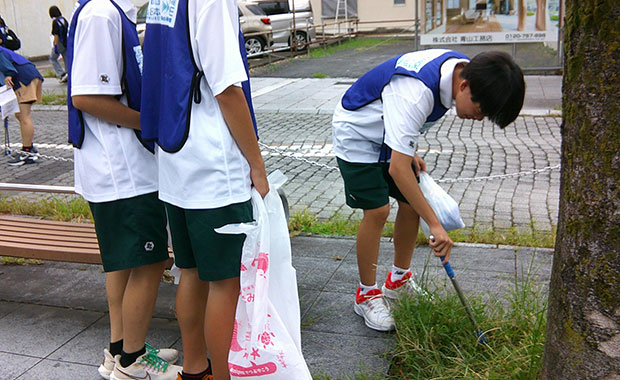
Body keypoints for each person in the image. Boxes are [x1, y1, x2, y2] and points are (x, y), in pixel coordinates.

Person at [332, 49, 525, 331]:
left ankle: (398, 281)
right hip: (358, 131)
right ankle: (366, 294)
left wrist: (407, 148)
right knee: (377, 210)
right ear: (463, 86)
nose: (479, 118)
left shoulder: (464, 70)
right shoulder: (416, 90)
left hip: (387, 132)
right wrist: (435, 224)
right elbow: (397, 169)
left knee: (411, 203)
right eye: (481, 110)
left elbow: (403, 124)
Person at [140, 0, 269, 378]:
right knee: (225, 282)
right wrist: (257, 165)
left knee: (191, 271)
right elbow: (227, 89)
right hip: (213, 164)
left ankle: (196, 370)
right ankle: (223, 375)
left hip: (176, 157)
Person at [66, 0, 182, 379]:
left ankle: (119, 350)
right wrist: (152, 123)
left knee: (123, 263)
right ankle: (132, 362)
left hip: (118, 169)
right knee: (148, 263)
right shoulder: (102, 14)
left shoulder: (114, 13)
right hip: (123, 172)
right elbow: (86, 96)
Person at [0, 46, 42, 166]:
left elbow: (9, 70)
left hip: (24, 78)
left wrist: (8, 75)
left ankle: (27, 152)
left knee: (24, 116)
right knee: (21, 115)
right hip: (29, 75)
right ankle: (30, 148)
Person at [49, 6, 68, 82]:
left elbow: (56, 34)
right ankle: (68, 73)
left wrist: (55, 45)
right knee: (66, 59)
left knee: (52, 58)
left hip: (59, 43)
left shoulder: (55, 22)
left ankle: (61, 73)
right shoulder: (64, 20)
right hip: (66, 43)